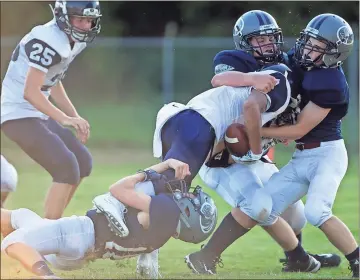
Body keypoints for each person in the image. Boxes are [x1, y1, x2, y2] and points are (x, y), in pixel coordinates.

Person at [201, 9, 340, 269]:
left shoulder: (284, 64)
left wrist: (282, 125)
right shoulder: (236, 61)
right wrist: (252, 78)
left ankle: (296, 257)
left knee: (295, 214)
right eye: (259, 40)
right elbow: (219, 79)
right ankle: (206, 257)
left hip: (257, 153)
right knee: (259, 206)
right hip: (225, 156)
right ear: (245, 42)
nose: (268, 44)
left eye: (271, 38)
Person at [257, 14, 359, 278]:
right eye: (308, 42)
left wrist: (255, 129)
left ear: (334, 54)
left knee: (316, 211)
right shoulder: (298, 62)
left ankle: (357, 261)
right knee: (260, 207)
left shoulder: (331, 82)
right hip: (302, 156)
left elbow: (300, 128)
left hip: (327, 153)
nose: (307, 49)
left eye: (318, 47)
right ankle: (299, 257)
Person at [1, 158, 218, 279]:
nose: (189, 195)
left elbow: (119, 188)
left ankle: (47, 277)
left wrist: (150, 172)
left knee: (13, 242)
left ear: (190, 214)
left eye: (194, 200)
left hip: (80, 233)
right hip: (81, 256)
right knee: (22, 217)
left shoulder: (166, 211)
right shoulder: (163, 231)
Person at [0, 1, 102, 219]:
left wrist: (74, 116)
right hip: (17, 114)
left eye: (89, 20)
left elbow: (52, 80)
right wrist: (64, 118)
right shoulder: (48, 40)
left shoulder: (72, 41)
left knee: (83, 163)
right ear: (63, 17)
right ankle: (46, 235)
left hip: (34, 112)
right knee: (66, 168)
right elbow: (31, 91)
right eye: (80, 19)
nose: (85, 25)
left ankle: (50, 227)